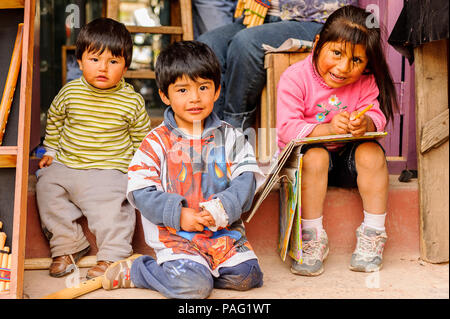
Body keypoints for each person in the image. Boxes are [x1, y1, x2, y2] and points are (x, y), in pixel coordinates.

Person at [101, 41, 265, 299]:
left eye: (203, 87)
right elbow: (141, 191)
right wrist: (178, 214)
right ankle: (140, 271)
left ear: (217, 90)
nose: (195, 98)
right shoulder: (155, 142)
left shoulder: (231, 136)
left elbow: (246, 180)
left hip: (222, 236)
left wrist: (223, 206)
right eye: (182, 90)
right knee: (194, 288)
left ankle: (202, 270)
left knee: (249, 276)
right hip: (178, 239)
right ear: (165, 95)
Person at [276, 5, 398, 276]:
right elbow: (286, 129)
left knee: (371, 153)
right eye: (336, 53)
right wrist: (327, 128)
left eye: (356, 61)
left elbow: (377, 116)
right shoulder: (295, 78)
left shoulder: (365, 82)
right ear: (318, 44)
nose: (343, 68)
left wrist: (364, 124)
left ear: (367, 63)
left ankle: (373, 234)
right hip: (308, 169)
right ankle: (311, 238)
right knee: (316, 155)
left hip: (346, 165)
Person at [36, 18, 151, 279]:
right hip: (67, 164)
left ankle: (112, 254)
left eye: (113, 61)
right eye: (94, 59)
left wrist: (139, 170)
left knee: (112, 209)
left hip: (109, 169)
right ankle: (68, 245)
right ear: (79, 61)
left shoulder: (131, 101)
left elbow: (141, 139)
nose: (103, 68)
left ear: (125, 67)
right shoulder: (69, 92)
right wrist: (51, 151)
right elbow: (55, 119)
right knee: (45, 186)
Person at [198, 0, 356, 131]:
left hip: (315, 19)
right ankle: (210, 133)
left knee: (246, 43)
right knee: (208, 46)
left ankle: (234, 132)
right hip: (262, 15)